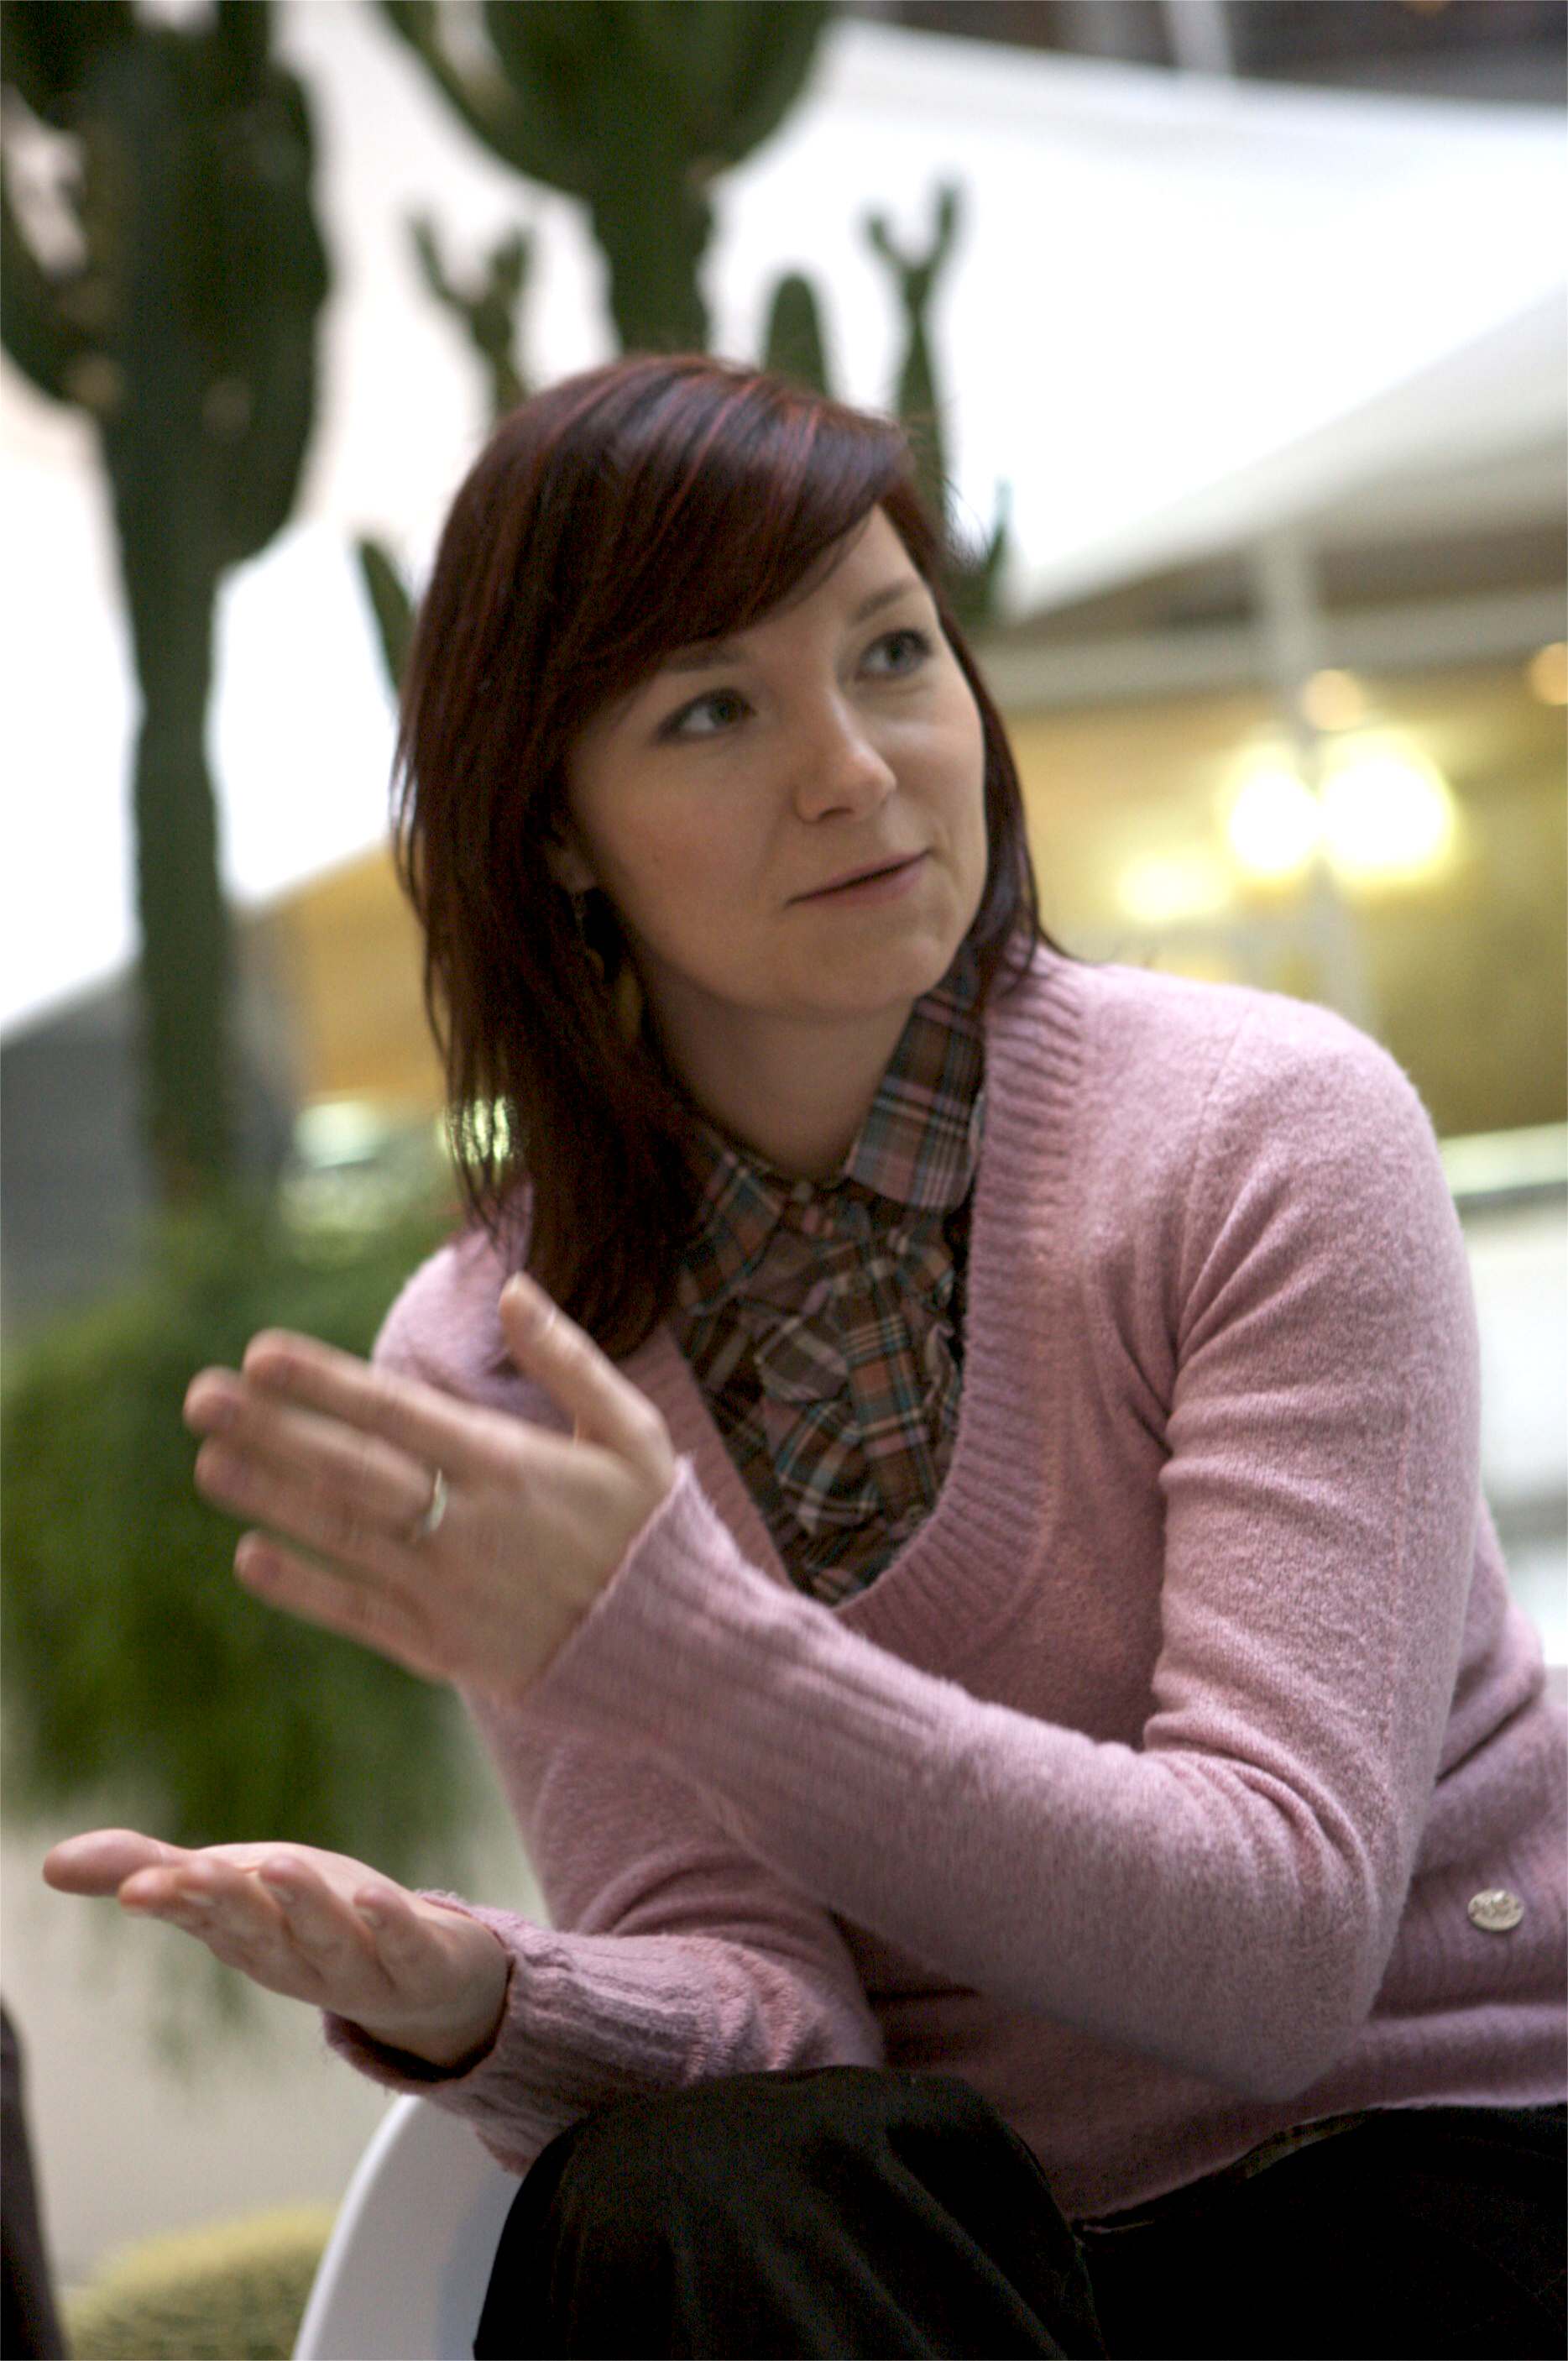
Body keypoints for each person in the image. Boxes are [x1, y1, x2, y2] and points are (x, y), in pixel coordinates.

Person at [45, 354, 1565, 2359]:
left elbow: (1273, 1949)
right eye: (711, 709)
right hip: (962, 2265)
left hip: (1425, 2168)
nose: (852, 767)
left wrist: (683, 1641)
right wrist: (489, 1995)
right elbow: (776, 2015)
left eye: (891, 652)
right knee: (678, 2186)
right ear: (555, 829)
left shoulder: (1264, 1134)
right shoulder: (493, 1352)